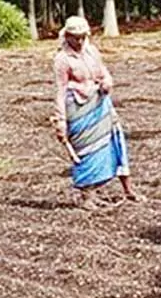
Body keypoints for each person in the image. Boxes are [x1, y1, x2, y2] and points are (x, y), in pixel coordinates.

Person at [52, 16, 139, 203]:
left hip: (100, 103)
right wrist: (61, 120)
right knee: (87, 151)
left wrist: (107, 82)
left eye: (83, 37)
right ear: (67, 36)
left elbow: (103, 72)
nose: (79, 41)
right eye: (75, 37)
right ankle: (88, 196)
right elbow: (60, 91)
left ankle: (128, 189)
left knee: (114, 140)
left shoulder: (92, 51)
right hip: (78, 109)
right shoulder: (62, 59)